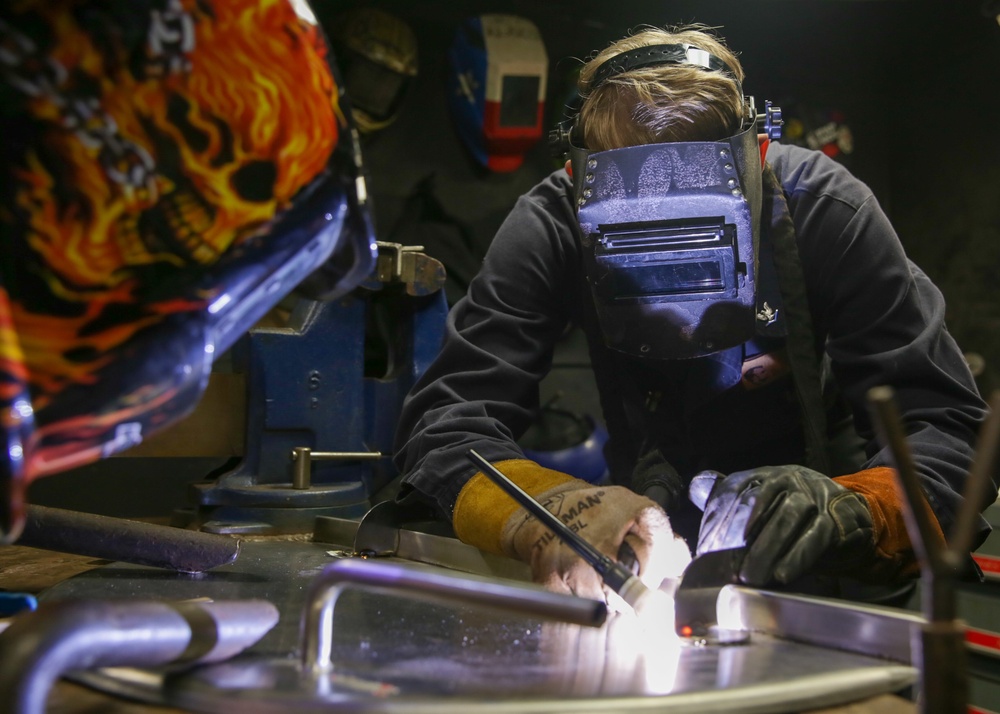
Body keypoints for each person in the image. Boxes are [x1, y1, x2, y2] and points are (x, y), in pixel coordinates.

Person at [392, 25, 991, 603]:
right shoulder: (553, 223)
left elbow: (943, 430)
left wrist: (855, 511)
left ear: (756, 158)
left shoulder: (825, 209)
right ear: (581, 178)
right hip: (648, 549)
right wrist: (551, 511)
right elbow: (447, 429)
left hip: (828, 547)